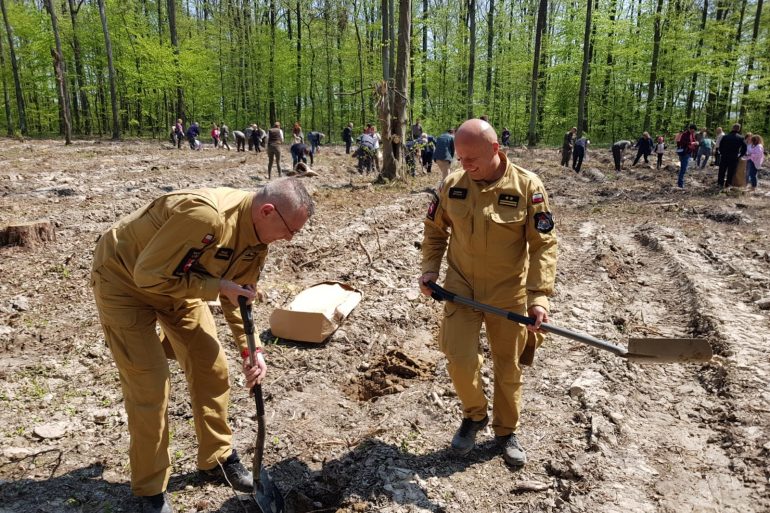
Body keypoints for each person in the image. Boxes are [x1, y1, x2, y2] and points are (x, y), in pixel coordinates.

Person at [91, 179, 315, 513]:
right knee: (151, 385)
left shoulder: (257, 242)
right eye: (289, 230)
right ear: (267, 211)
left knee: (212, 367)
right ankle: (150, 491)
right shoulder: (206, 216)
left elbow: (239, 297)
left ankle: (217, 458)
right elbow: (147, 275)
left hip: (181, 286)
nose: (289, 239)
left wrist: (252, 350)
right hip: (125, 281)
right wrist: (216, 285)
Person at [418, 118, 557, 468]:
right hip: (460, 287)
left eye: (471, 158)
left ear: (496, 149)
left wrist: (538, 296)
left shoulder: (527, 187)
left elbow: (543, 244)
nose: (464, 165)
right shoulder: (452, 185)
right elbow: (435, 232)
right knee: (459, 358)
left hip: (507, 291)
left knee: (508, 367)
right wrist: (430, 269)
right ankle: (475, 414)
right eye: (460, 157)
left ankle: (506, 431)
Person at [717, 123, 747, 188]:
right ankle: (728, 185)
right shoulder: (741, 138)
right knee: (731, 172)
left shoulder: (725, 136)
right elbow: (744, 148)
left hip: (724, 156)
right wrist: (740, 155)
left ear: (732, 128)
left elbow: (720, 146)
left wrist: (722, 153)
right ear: (738, 129)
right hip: (734, 157)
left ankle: (720, 183)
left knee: (722, 170)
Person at [675, 124, 697, 188]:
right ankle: (680, 184)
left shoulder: (692, 134)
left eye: (694, 131)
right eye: (693, 130)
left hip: (689, 152)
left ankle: (681, 182)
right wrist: (691, 143)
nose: (693, 132)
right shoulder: (685, 134)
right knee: (683, 169)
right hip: (684, 153)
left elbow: (693, 140)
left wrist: (696, 142)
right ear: (690, 129)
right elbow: (682, 143)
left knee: (685, 168)